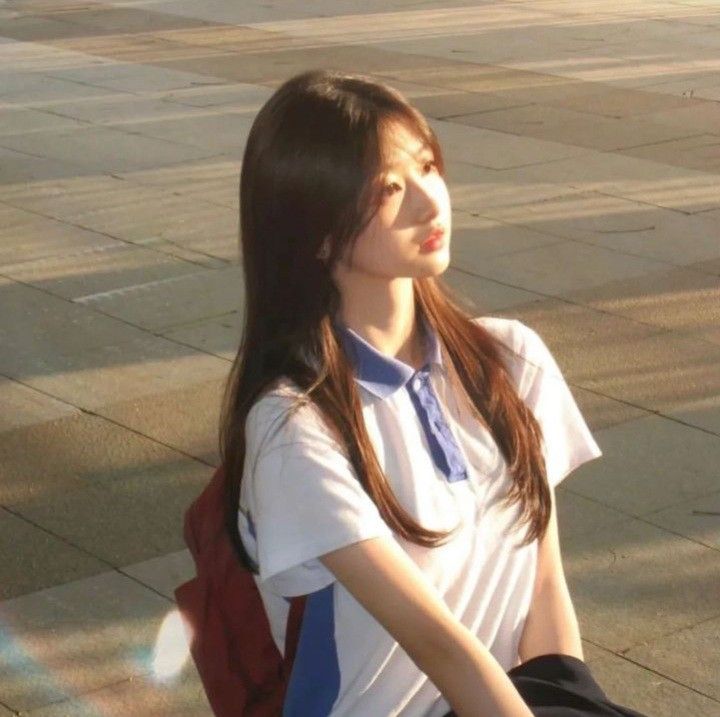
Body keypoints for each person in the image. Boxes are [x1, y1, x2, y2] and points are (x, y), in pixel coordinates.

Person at [220, 69, 606, 717]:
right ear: (314, 228)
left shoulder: (511, 359)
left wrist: (579, 700)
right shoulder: (295, 425)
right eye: (389, 188)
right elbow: (439, 644)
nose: (430, 202)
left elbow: (543, 588)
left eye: (428, 166)